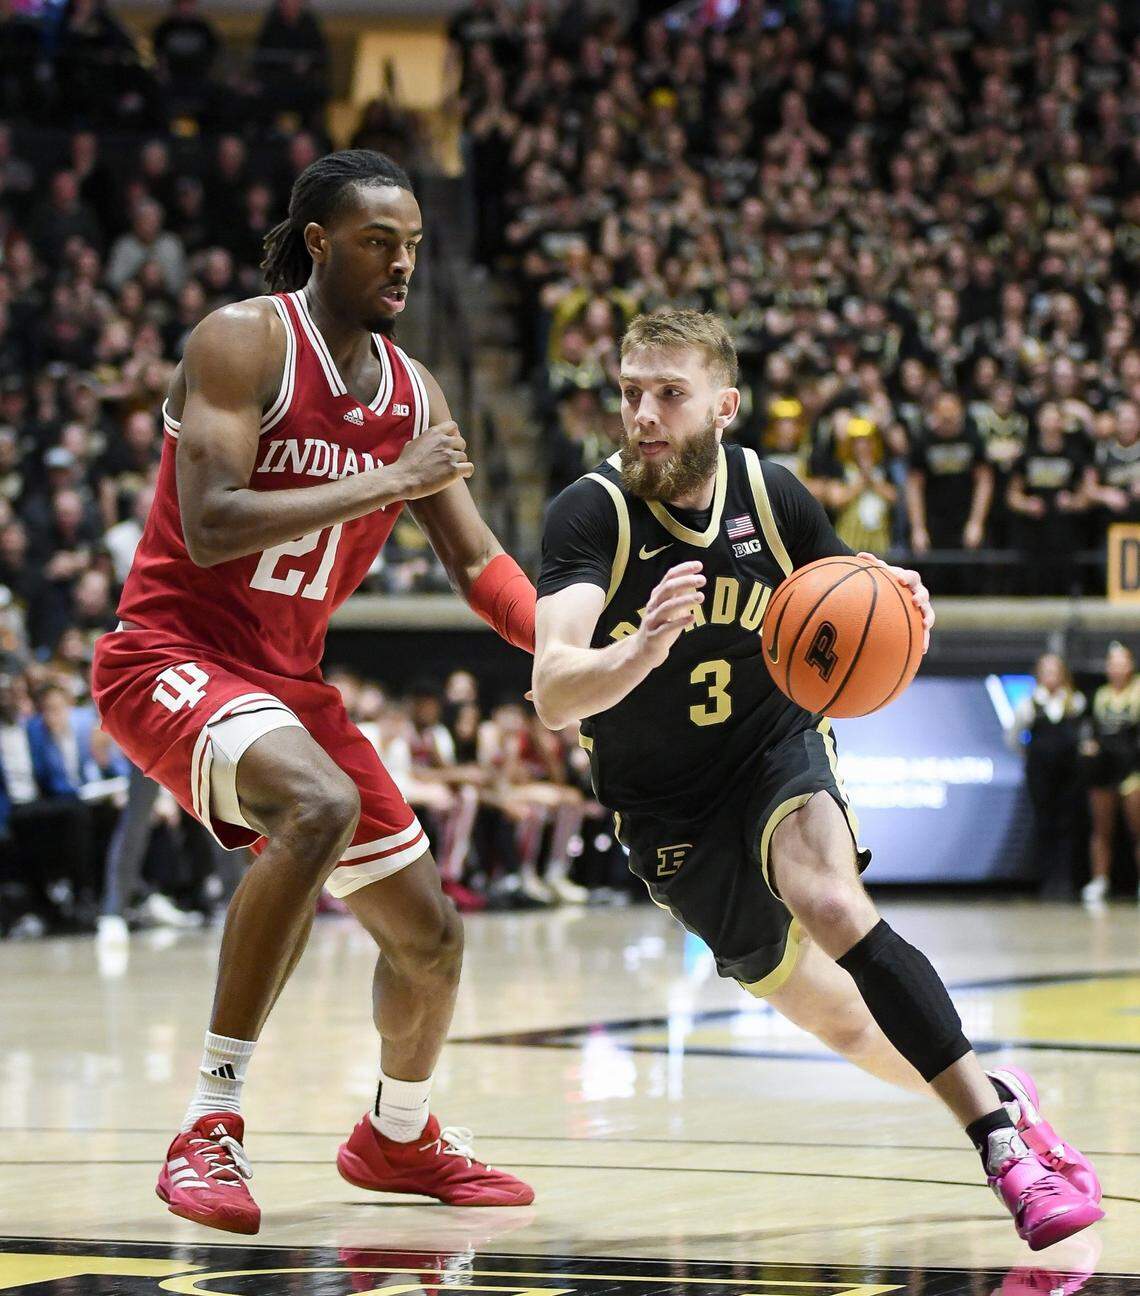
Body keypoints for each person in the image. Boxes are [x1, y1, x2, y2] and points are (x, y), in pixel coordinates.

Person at [531, 309, 1103, 1251]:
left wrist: (902, 599)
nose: (642, 414)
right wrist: (640, 647)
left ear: (725, 405)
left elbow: (856, 595)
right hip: (667, 811)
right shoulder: (591, 513)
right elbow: (554, 689)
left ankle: (1005, 1154)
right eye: (630, 391)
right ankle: (1003, 1096)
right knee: (847, 1028)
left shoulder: (772, 492)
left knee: (833, 901)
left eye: (668, 394)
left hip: (772, 748)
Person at [91, 149, 538, 1235]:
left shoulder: (413, 390)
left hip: (286, 684)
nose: (403, 264)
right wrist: (388, 478)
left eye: (416, 245)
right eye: (381, 242)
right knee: (320, 805)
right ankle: (212, 1119)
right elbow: (212, 521)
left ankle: (398, 1132)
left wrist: (578, 650)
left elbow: (480, 567)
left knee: (430, 938)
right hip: (168, 653)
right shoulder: (242, 340)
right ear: (321, 242)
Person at [1007, 654, 1086, 900]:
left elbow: (1082, 736)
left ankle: (1065, 881)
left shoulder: (1075, 702)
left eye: (1055, 670)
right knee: (1044, 824)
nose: (1051, 676)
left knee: (1067, 825)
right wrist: (1030, 756)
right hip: (1040, 774)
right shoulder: (1029, 705)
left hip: (1069, 774)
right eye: (1046, 671)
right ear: (1038, 674)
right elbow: (1013, 738)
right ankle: (1047, 881)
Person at [1078, 641, 1140, 907]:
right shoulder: (1099, 695)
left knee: (1137, 829)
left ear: (1131, 665)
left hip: (1132, 767)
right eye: (1111, 663)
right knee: (1101, 829)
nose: (1116, 668)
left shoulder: (1137, 691)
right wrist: (1089, 745)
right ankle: (1100, 880)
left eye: (1121, 662)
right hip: (1104, 768)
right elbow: (1088, 728)